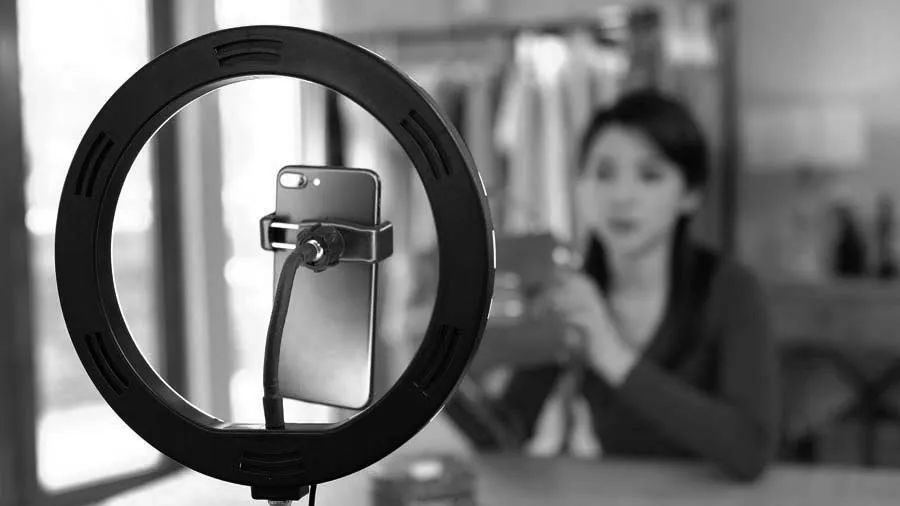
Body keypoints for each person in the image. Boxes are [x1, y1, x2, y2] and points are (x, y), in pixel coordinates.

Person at [491, 89, 778, 481]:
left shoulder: (732, 290)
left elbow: (751, 451)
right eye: (604, 174)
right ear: (581, 187)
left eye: (650, 176)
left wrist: (611, 354)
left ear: (690, 195)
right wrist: (441, 366)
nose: (622, 197)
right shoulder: (573, 294)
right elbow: (506, 434)